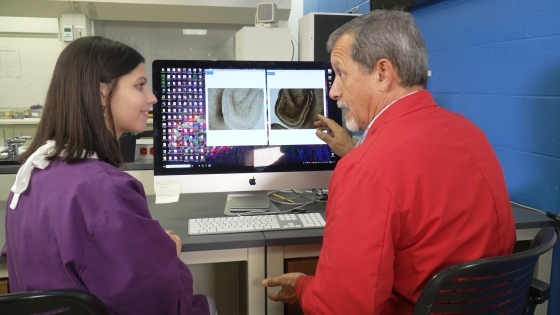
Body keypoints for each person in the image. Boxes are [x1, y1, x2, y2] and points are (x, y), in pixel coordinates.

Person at [262, 10, 516, 314]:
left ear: (383, 73)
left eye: (341, 73)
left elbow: (342, 307)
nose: (334, 91)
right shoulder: (471, 133)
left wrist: (304, 286)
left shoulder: (366, 170)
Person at [1, 36, 216, 315]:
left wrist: (143, 248)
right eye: (140, 85)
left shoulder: (31, 175)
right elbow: (159, 303)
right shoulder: (106, 189)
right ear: (102, 93)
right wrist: (166, 255)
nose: (152, 97)